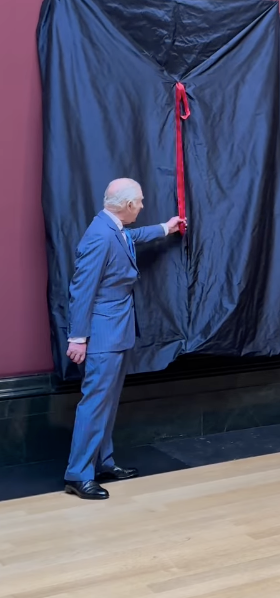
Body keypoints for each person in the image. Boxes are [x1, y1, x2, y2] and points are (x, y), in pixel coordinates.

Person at [64, 178, 185, 499]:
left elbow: (130, 237)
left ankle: (103, 461)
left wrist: (164, 228)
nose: (143, 206)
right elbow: (81, 290)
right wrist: (77, 338)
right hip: (103, 335)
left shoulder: (111, 226)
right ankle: (78, 473)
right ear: (128, 205)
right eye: (140, 202)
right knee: (95, 403)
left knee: (108, 402)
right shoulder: (100, 237)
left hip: (116, 331)